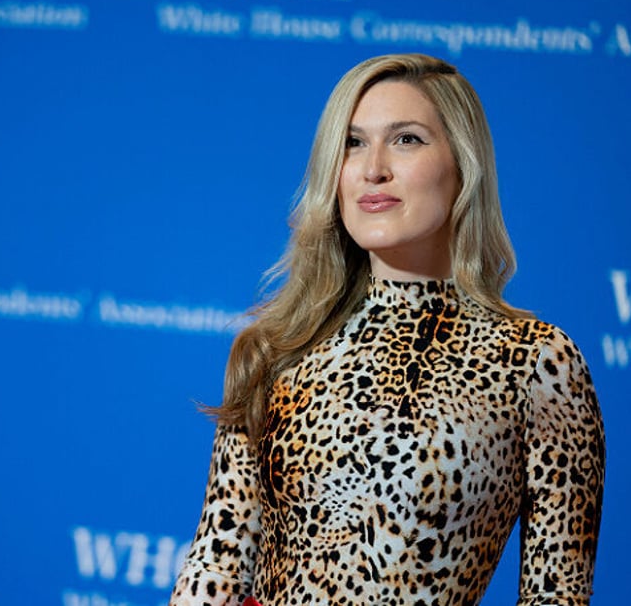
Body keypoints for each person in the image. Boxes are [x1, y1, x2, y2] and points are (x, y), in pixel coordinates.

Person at [169, 53, 605, 606]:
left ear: (463, 165)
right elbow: (217, 563)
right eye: (352, 143)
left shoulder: (537, 362)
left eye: (406, 140)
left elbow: (557, 593)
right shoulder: (276, 349)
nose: (373, 168)